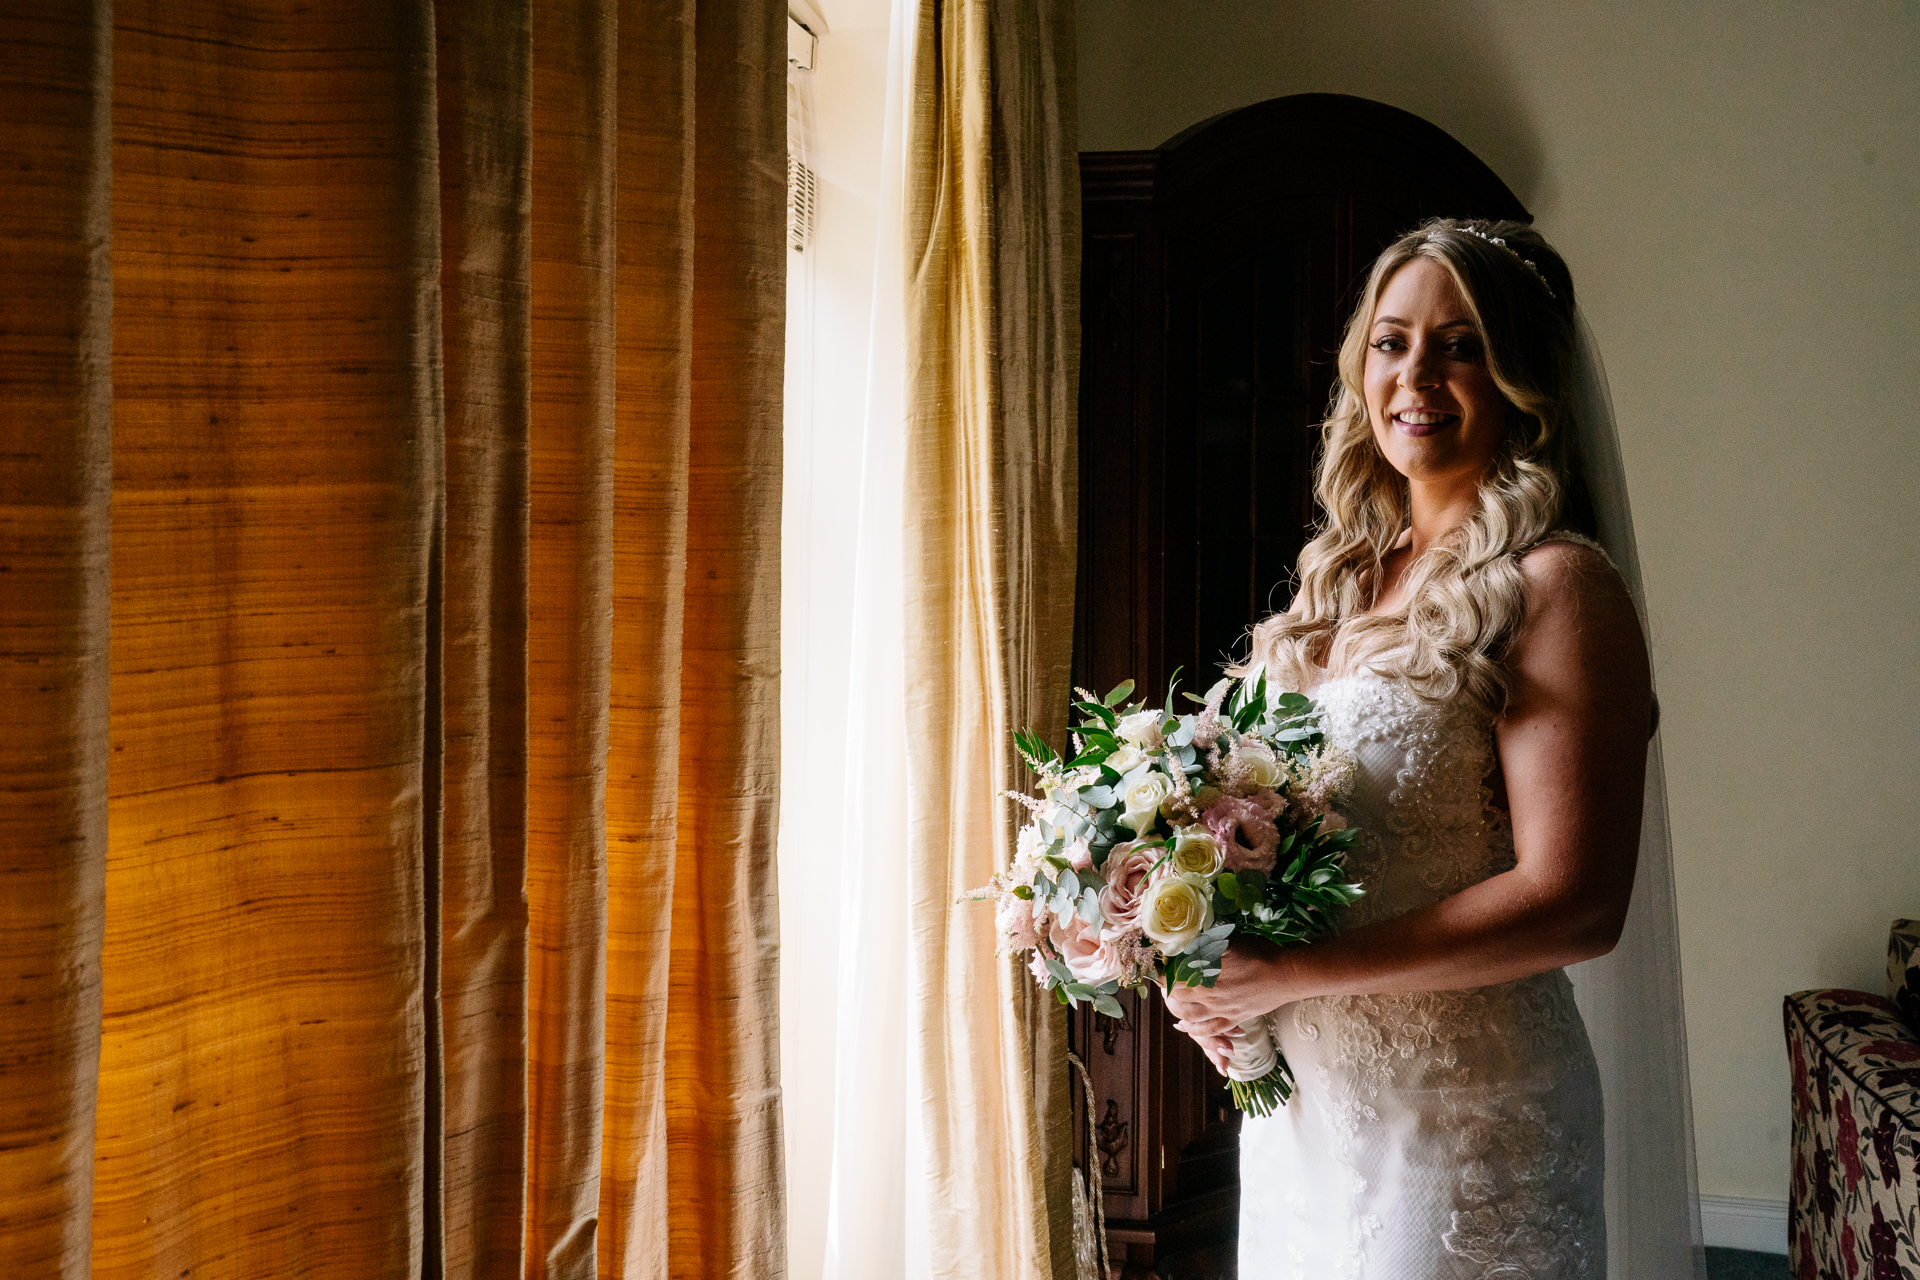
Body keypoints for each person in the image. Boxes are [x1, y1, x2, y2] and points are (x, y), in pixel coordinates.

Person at [1162, 218, 1652, 1280]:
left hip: (1463, 1122)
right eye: (1391, 341)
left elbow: (1578, 899)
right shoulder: (1335, 589)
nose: (1417, 374)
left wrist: (1292, 969)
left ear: (1523, 375)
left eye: (1461, 343)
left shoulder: (1558, 588)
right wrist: (1206, 965)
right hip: (1307, 1113)